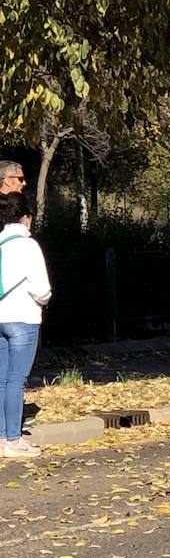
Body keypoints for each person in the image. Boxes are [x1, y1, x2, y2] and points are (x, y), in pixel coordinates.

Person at [0, 191, 51, 458]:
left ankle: (0, 438)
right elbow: (42, 289)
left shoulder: (0, 243)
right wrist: (44, 301)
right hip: (23, 317)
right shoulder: (28, 246)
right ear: (26, 217)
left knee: (0, 381)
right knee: (16, 382)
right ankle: (13, 440)